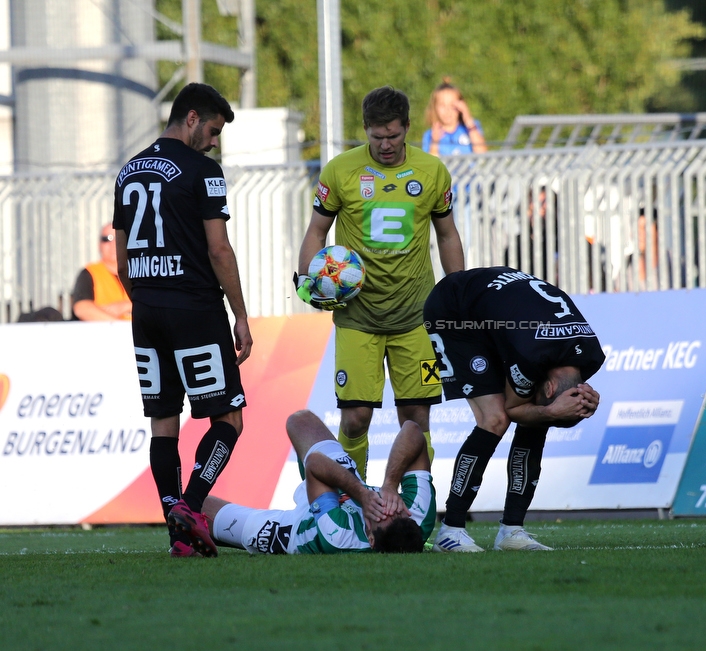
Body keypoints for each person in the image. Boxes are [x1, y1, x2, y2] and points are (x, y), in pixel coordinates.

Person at [295, 86, 465, 482]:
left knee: (416, 420)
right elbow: (317, 232)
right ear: (365, 130)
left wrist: (457, 291)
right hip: (358, 318)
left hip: (416, 319)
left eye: (393, 135)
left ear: (407, 127)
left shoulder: (432, 171)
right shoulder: (340, 171)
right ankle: (353, 503)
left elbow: (448, 235)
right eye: (376, 137)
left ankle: (415, 505)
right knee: (355, 418)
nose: (385, 145)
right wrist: (308, 280)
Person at [113, 83, 252, 558]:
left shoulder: (129, 170)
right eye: (213, 130)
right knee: (229, 417)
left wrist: (148, 298)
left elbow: (123, 262)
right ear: (191, 118)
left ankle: (179, 536)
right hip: (195, 308)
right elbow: (218, 249)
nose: (214, 142)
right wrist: (241, 315)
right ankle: (191, 507)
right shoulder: (204, 172)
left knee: (163, 424)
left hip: (146, 309)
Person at [424, 266, 605, 552]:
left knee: (536, 418)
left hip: (502, 314)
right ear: (547, 388)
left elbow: (562, 392)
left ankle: (511, 531)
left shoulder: (591, 356)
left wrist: (584, 403)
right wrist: (549, 413)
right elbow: (515, 408)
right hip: (455, 310)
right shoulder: (530, 354)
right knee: (494, 419)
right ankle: (451, 531)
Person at [202, 410, 435, 555]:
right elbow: (412, 429)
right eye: (396, 511)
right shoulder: (418, 514)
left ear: (371, 539)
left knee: (195, 511)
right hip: (348, 492)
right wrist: (390, 485)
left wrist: (363, 496)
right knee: (300, 420)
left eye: (381, 517)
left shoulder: (338, 536)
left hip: (301, 526)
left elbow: (314, 464)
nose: (386, 507)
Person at [71, 223, 132, 321]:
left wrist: (126, 306)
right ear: (99, 245)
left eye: (118, 238)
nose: (113, 244)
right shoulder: (89, 273)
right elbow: (82, 309)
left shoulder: (140, 271)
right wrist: (119, 326)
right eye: (107, 239)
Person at [421, 80, 488, 157]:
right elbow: (431, 166)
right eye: (442, 105)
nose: (448, 110)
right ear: (435, 107)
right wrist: (435, 142)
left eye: (452, 105)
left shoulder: (471, 127)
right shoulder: (429, 135)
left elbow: (483, 154)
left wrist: (468, 119)